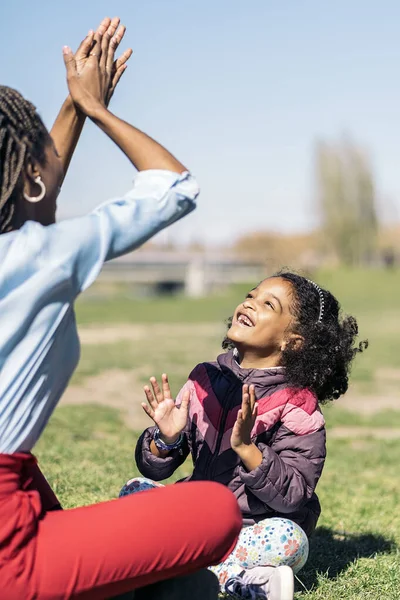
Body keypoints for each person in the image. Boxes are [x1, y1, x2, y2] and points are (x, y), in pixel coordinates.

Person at [0, 17, 242, 600]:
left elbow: (31, 198)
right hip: (7, 550)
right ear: (29, 170)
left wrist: (72, 106)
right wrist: (95, 107)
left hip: (15, 500)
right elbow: (172, 186)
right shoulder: (39, 256)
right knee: (215, 509)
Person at [132, 271, 367, 600]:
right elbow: (155, 469)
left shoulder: (297, 402)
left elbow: (295, 493)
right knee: (134, 493)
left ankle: (191, 565)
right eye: (250, 295)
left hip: (254, 528)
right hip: (200, 516)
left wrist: (247, 449)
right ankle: (237, 577)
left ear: (293, 341)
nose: (249, 304)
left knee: (289, 540)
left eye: (267, 304)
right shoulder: (204, 378)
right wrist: (166, 440)